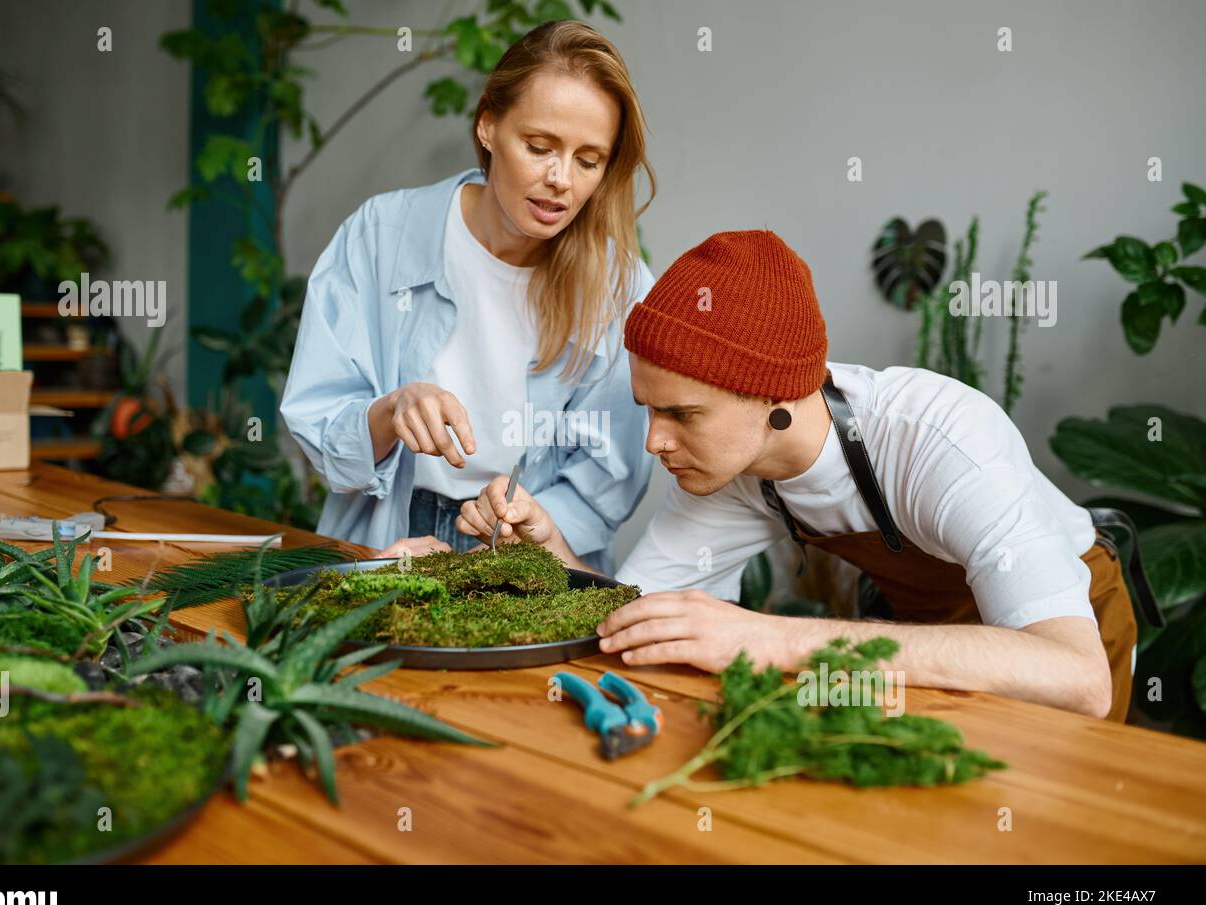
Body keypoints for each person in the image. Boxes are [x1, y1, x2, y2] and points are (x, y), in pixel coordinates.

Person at [454, 229, 1164, 722]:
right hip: (937, 646)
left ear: (777, 400)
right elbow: (644, 619)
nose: (655, 442)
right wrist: (555, 561)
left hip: (1067, 629)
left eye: (683, 415)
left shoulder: (939, 438)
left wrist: (776, 637)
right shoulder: (733, 470)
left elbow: (1076, 680)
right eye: (649, 410)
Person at [280, 20, 657, 576]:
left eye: (588, 160)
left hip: (532, 556)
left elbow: (611, 473)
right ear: (487, 125)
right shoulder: (381, 235)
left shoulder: (620, 285)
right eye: (538, 146)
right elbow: (319, 424)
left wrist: (532, 521)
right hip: (391, 539)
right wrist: (390, 411)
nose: (561, 179)